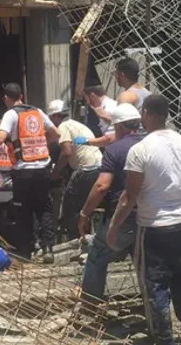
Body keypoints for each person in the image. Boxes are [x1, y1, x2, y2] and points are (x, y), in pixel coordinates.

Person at [106, 94, 181, 345]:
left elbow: (129, 196)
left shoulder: (140, 150)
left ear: (147, 114)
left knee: (156, 284)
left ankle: (164, 338)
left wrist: (113, 227)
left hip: (154, 228)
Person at [0, 82, 60, 260]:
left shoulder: (11, 114)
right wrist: (38, 144)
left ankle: (25, 250)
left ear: (6, 99)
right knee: (44, 207)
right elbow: (56, 134)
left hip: (23, 169)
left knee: (23, 209)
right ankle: (48, 249)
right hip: (42, 166)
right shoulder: (37, 112)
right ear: (21, 95)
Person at [77, 103, 143, 305]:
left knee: (97, 256)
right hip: (150, 216)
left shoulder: (115, 150)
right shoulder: (150, 144)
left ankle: (90, 304)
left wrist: (84, 213)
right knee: (142, 261)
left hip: (122, 217)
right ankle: (153, 306)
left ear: (120, 127)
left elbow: (101, 187)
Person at [46, 99, 102, 242]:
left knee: (70, 207)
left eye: (51, 118)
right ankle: (87, 236)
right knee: (85, 204)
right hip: (98, 167)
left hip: (86, 169)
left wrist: (55, 173)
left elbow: (66, 153)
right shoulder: (75, 124)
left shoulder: (63, 127)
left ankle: (76, 239)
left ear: (57, 116)